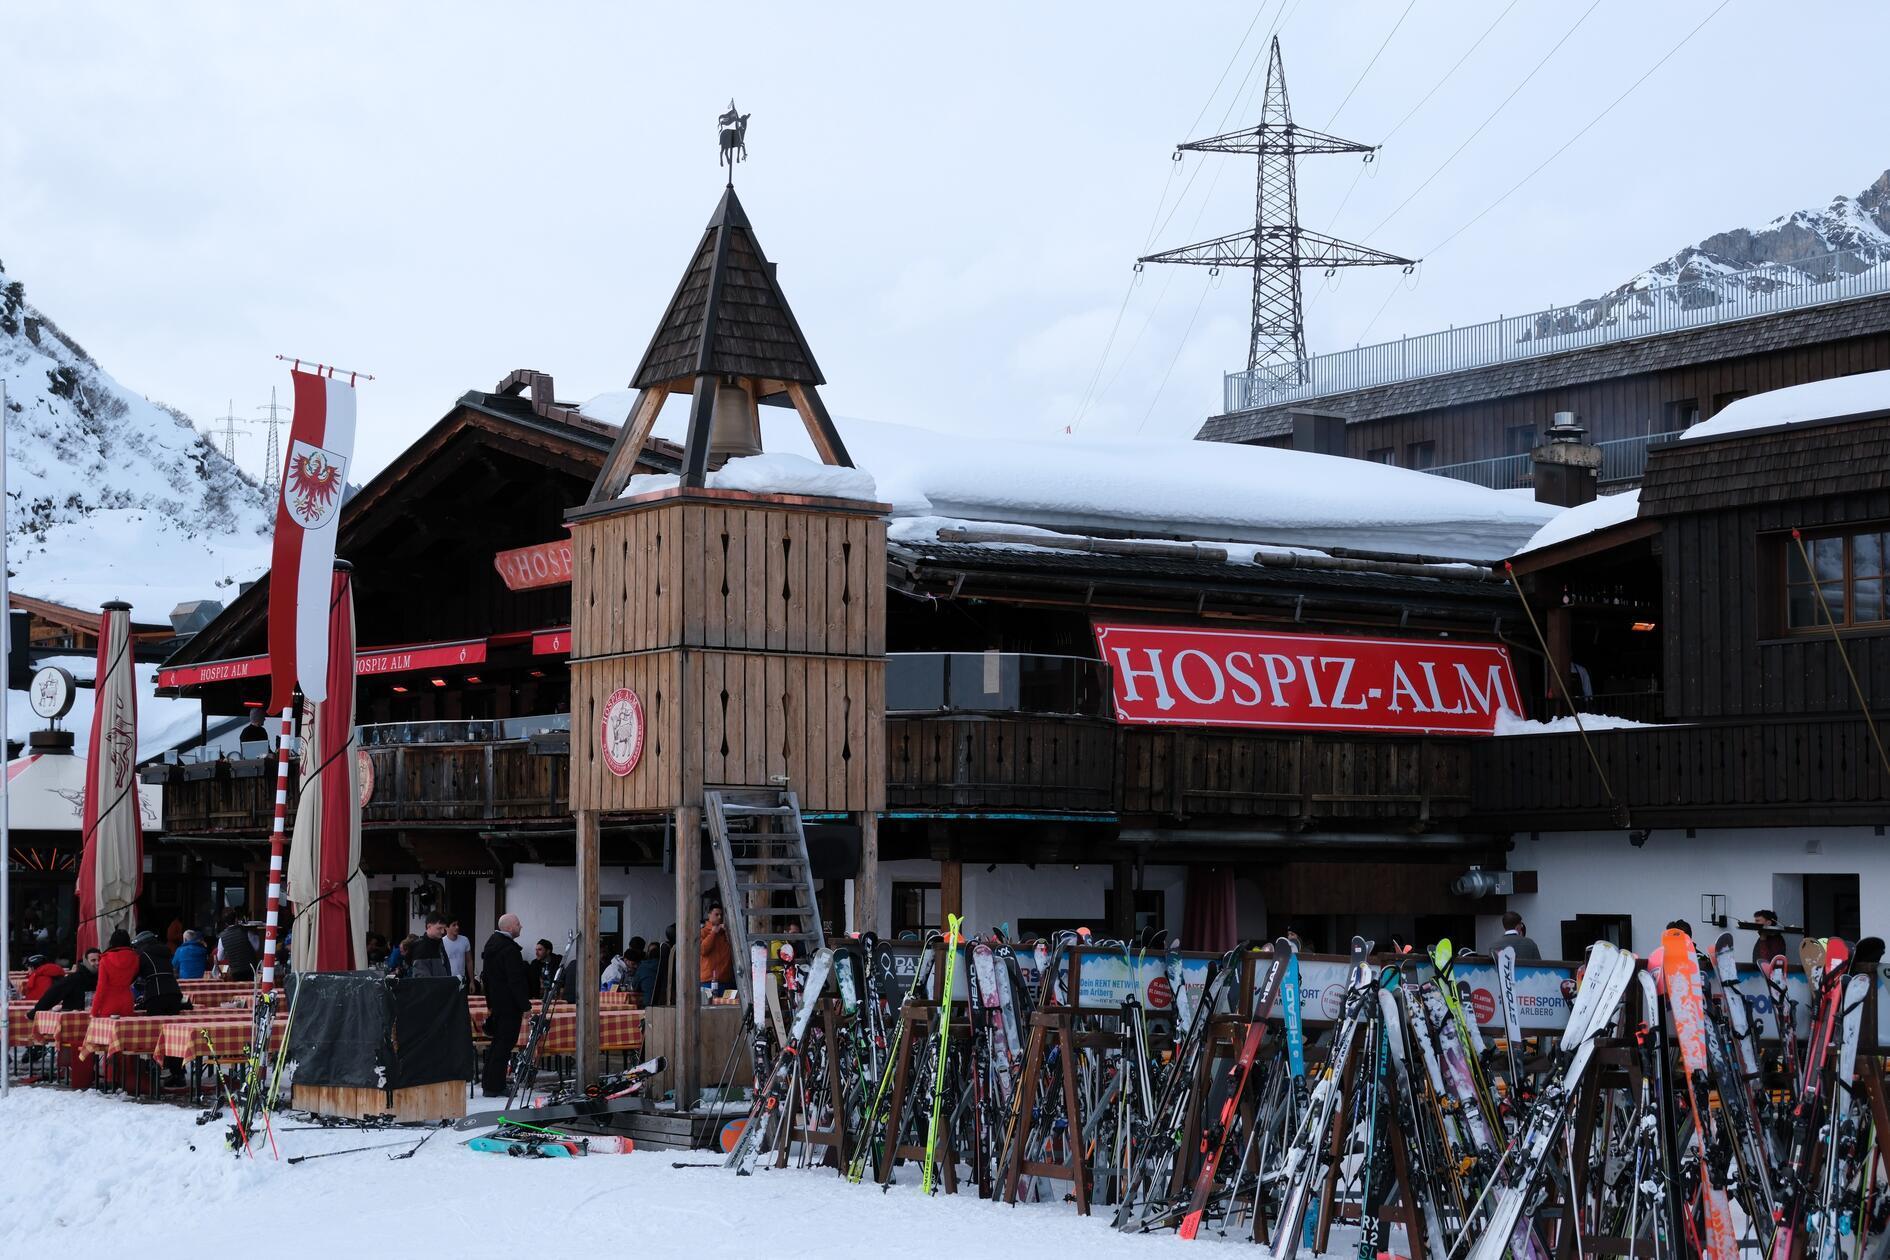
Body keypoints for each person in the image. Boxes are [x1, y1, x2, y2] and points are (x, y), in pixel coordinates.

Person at [479, 913, 530, 1097]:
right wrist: (525, 1006)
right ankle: (495, 1085)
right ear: (509, 928)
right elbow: (515, 980)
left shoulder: (492, 944)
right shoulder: (509, 949)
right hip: (509, 1005)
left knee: (498, 1043)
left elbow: (486, 978)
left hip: (498, 1002)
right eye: (518, 923)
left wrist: (490, 1003)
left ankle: (490, 1081)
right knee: (504, 1044)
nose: (521, 926)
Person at [132, 929, 186, 1015]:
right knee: (172, 1026)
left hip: (155, 994)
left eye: (136, 947)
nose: (135, 950)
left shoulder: (144, 956)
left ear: (143, 945)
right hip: (175, 993)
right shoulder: (166, 953)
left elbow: (134, 976)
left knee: (155, 1026)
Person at [93, 929, 142, 1018]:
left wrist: (94, 1011)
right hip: (127, 999)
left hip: (109, 1001)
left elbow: (101, 987)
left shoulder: (105, 960)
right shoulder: (135, 958)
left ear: (112, 942)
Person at [33, 948, 100, 1013]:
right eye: (93, 960)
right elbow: (53, 994)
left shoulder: (105, 977)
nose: (97, 963)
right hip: (74, 1018)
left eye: (99, 959)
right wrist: (34, 1012)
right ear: (86, 962)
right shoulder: (74, 978)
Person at [699, 905, 734, 991]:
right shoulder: (703, 932)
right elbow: (703, 950)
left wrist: (727, 933)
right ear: (709, 915)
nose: (719, 917)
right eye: (716, 914)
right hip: (708, 981)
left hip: (725, 981)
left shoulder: (725, 933)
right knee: (707, 1004)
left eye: (721, 915)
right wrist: (713, 933)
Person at [407, 914, 451, 978]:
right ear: (429, 926)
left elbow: (446, 968)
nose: (442, 932)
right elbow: (423, 980)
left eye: (444, 929)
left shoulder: (439, 944)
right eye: (439, 928)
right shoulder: (420, 948)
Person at [217, 909, 256, 981]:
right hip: (250, 968)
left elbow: (220, 958)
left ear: (225, 923)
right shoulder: (247, 933)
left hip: (235, 971)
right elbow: (256, 947)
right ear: (236, 919)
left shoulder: (221, 938)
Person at [634, 935, 663, 1006]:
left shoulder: (642, 967)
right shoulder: (668, 965)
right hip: (667, 1003)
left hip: (648, 1003)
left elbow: (635, 986)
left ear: (648, 954)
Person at [442, 917, 473, 984]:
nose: (457, 927)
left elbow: (469, 961)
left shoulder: (465, 940)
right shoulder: (442, 942)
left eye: (457, 924)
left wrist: (472, 981)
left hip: (461, 979)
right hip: (447, 980)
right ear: (446, 928)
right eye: (454, 925)